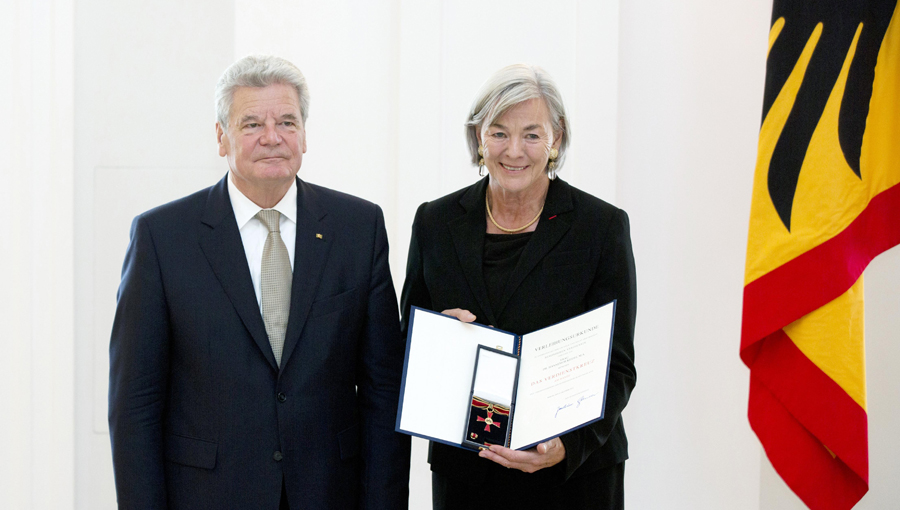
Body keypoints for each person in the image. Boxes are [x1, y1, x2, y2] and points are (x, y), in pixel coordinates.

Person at [108, 55, 410, 510]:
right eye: (251, 124)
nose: (272, 137)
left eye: (287, 121)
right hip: (208, 496)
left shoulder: (358, 228)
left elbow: (384, 391)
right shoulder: (162, 238)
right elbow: (135, 407)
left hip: (330, 492)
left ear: (304, 135)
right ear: (221, 137)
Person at [400, 64, 637, 509]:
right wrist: (435, 339)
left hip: (575, 477)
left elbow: (618, 365)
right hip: (468, 473)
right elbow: (406, 344)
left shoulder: (601, 227)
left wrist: (567, 445)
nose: (514, 151)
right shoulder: (434, 221)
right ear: (478, 138)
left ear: (557, 140)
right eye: (498, 133)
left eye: (532, 134)